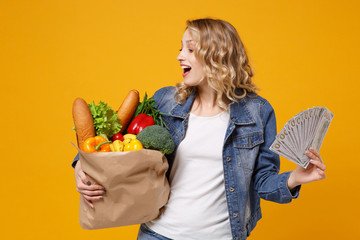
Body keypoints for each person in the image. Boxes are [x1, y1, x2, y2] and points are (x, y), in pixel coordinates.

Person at [72, 18, 326, 240]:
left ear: (217, 56)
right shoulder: (166, 102)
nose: (179, 56)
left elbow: (263, 181)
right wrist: (82, 166)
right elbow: (116, 142)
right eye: (181, 48)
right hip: (159, 233)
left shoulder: (257, 112)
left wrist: (296, 178)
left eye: (190, 49)